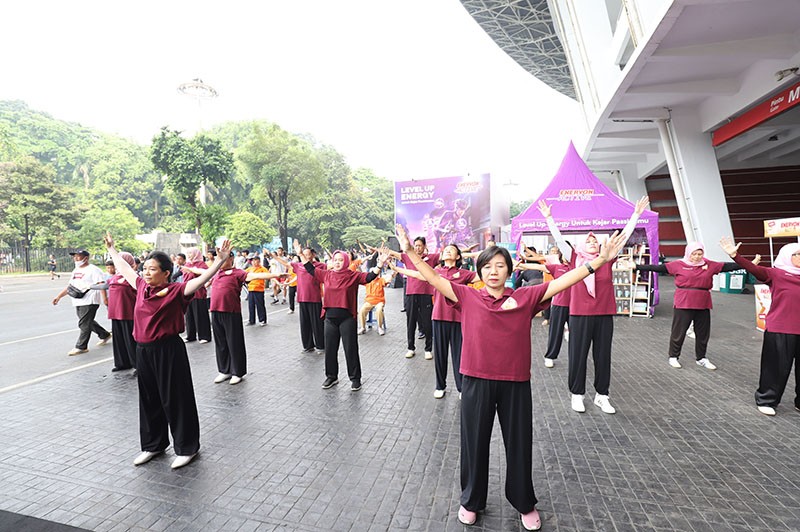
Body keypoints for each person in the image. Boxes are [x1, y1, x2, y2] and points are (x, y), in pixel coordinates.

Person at [395, 223, 627, 530]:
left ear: (509, 271)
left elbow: (566, 280)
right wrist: (409, 251)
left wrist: (599, 261)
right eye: (487, 267)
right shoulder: (467, 296)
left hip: (515, 382)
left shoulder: (526, 297)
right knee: (474, 443)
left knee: (518, 443)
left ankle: (523, 502)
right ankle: (471, 500)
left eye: (500, 266)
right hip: (475, 380)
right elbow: (433, 277)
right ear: (479, 272)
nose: (494, 271)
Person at [104, 232, 232, 469]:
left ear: (166, 273)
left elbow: (199, 281)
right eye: (146, 268)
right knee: (149, 399)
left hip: (168, 351)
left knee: (176, 399)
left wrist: (218, 261)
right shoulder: (141, 286)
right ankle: (153, 444)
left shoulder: (175, 291)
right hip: (143, 351)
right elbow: (125, 269)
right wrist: (112, 249)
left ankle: (187, 447)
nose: (146, 272)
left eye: (153, 269)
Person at [539, 196, 650, 414]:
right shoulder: (575, 259)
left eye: (594, 240)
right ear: (581, 245)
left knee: (602, 355)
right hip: (580, 313)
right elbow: (560, 240)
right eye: (588, 240)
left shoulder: (606, 257)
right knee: (578, 354)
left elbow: (623, 237)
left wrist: (636, 215)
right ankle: (577, 394)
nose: (591, 242)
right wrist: (550, 218)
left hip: (603, 313)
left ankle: (602, 395)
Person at [621, 242, 740, 370]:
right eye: (694, 254)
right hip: (684, 301)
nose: (697, 257)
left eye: (700, 254)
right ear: (688, 253)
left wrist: (748, 264)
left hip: (703, 302)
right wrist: (637, 266)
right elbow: (658, 268)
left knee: (703, 333)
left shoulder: (708, 264)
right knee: (679, 331)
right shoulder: (678, 264)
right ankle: (673, 356)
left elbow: (727, 267)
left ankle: (701, 358)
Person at [721, 237, 800, 416]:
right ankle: (767, 399)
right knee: (776, 368)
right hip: (781, 329)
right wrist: (735, 255)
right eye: (798, 254)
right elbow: (754, 269)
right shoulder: (776, 274)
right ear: (788, 256)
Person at [392, 244, 476, 399]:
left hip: (459, 318)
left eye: (452, 250)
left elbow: (483, 276)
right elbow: (416, 274)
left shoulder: (464, 273)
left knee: (459, 355)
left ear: (458, 256)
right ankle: (440, 386)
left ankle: (461, 387)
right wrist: (397, 269)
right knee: (440, 354)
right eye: (445, 250)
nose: (447, 251)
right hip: (439, 316)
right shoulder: (436, 272)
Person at [304, 249, 390, 391]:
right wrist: (301, 254)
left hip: (347, 318)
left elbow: (369, 277)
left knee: (350, 349)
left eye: (340, 260)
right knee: (330, 349)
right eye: (335, 260)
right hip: (330, 318)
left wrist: (380, 264)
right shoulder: (326, 275)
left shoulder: (353, 275)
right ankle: (331, 376)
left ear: (346, 261)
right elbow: (310, 269)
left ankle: (355, 378)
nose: (337, 262)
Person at [199, 253, 285, 384]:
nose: (221, 262)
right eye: (219, 260)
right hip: (216, 311)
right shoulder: (216, 273)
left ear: (231, 259)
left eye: (224, 259)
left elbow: (256, 276)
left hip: (231, 312)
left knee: (234, 343)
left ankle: (237, 372)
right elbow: (199, 273)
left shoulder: (238, 273)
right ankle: (224, 370)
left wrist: (275, 275)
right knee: (221, 343)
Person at [380, 236, 439, 359]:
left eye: (420, 245)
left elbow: (446, 256)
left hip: (426, 293)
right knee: (411, 321)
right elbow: (392, 253)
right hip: (411, 293)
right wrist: (380, 250)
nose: (417, 248)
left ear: (424, 246)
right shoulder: (407, 257)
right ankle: (410, 348)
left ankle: (428, 349)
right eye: (415, 245)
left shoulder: (432, 258)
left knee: (427, 322)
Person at [515, 245, 573, 368]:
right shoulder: (557, 267)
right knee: (555, 332)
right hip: (559, 303)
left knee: (577, 334)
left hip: (575, 305)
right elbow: (537, 265)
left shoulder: (578, 268)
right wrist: (521, 265)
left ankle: (575, 357)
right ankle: (550, 356)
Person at [52, 249, 112, 356]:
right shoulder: (76, 270)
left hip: (90, 300)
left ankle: (81, 346)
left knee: (84, 323)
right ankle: (104, 334)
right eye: (74, 256)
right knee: (87, 321)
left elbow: (101, 284)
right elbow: (70, 286)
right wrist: (59, 296)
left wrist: (104, 299)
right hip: (78, 300)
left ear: (86, 258)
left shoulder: (94, 270)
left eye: (78, 256)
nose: (75, 258)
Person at [93, 252, 138, 372]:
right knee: (119, 339)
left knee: (131, 340)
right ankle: (122, 363)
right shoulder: (115, 276)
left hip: (128, 312)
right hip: (115, 312)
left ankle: (138, 365)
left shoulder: (133, 276)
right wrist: (89, 286)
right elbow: (104, 286)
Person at [182, 247, 212, 344]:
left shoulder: (201, 265)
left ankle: (204, 335)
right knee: (189, 315)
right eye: (188, 253)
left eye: (191, 253)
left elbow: (207, 276)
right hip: (188, 292)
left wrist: (192, 271)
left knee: (200, 314)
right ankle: (191, 335)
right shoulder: (187, 264)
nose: (189, 255)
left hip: (198, 293)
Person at [357, 269, 395, 336]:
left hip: (379, 301)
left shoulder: (381, 280)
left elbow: (388, 280)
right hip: (369, 301)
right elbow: (359, 279)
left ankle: (380, 327)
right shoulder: (367, 281)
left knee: (379, 310)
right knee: (362, 310)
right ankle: (363, 327)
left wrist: (392, 275)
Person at [243, 256, 269, 326]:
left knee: (260, 305)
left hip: (259, 289)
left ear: (259, 261)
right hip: (251, 289)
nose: (254, 262)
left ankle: (262, 320)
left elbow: (268, 275)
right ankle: (251, 320)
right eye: (253, 261)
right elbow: (243, 274)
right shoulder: (250, 269)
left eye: (255, 260)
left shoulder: (262, 269)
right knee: (251, 305)